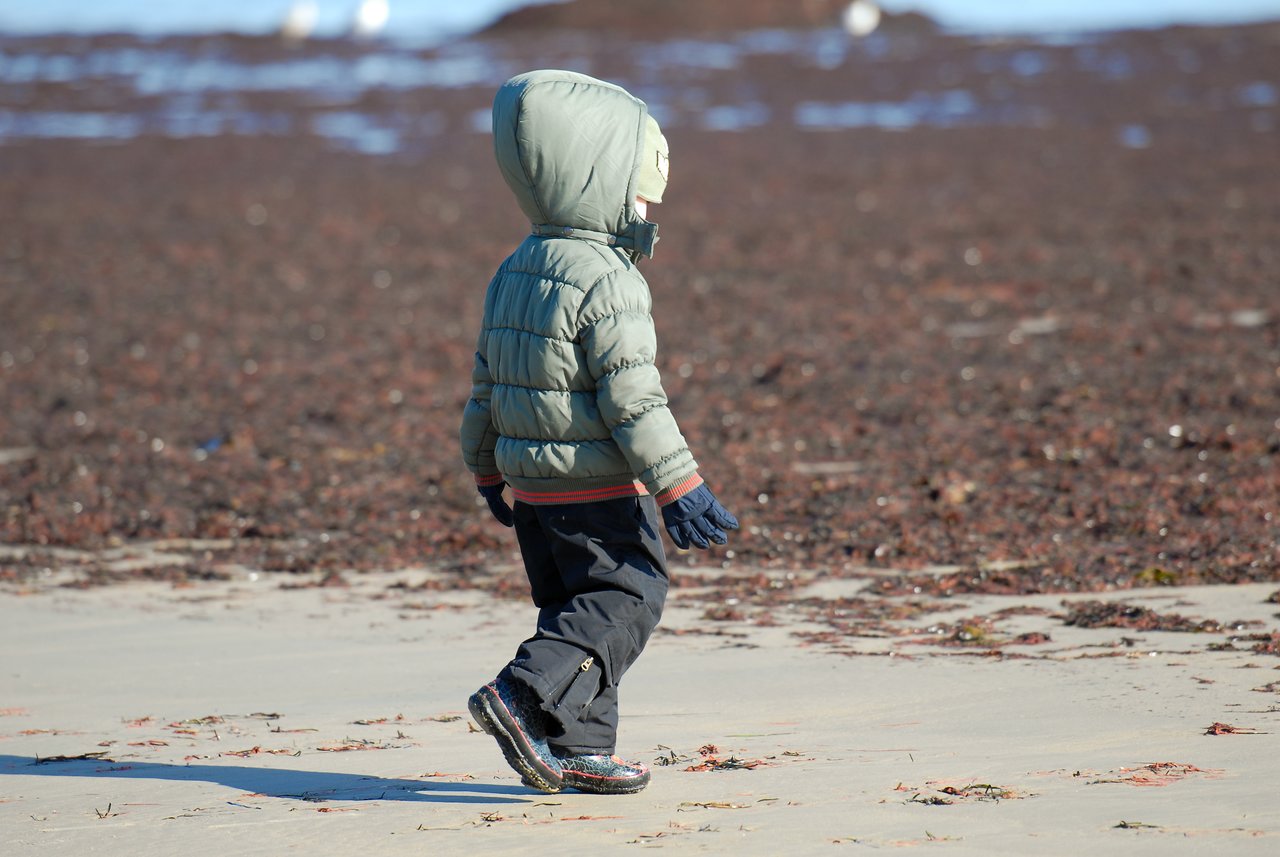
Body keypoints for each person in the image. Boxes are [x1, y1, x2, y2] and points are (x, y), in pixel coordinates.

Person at [460, 70, 738, 795]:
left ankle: (578, 745)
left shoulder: (513, 269)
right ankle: (520, 693)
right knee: (628, 596)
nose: (647, 209)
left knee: (574, 606)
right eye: (639, 193)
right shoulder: (610, 279)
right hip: (600, 486)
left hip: (534, 492)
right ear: (599, 180)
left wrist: (485, 466)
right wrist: (681, 484)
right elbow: (634, 397)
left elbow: (488, 381)